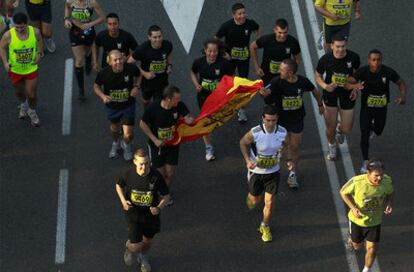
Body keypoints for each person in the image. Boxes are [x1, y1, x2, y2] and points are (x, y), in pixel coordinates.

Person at [261, 59, 324, 189]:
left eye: (282, 70)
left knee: (294, 146)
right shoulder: (276, 82)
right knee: (284, 145)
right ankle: (281, 168)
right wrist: (264, 93)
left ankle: (293, 173)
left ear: (290, 73)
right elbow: (265, 92)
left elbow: (314, 91)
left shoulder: (302, 81)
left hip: (297, 118)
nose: (279, 72)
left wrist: (320, 104)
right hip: (282, 119)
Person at [347, 49, 407, 173]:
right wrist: (354, 86)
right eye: (373, 60)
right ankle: (365, 161)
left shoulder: (387, 72)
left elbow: (401, 83)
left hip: (381, 108)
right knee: (364, 134)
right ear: (369, 60)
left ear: (381, 60)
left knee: (379, 130)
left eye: (378, 60)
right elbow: (347, 83)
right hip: (367, 109)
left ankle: (373, 130)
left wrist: (402, 96)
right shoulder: (363, 71)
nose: (376, 62)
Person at [116, 148, 170, 272]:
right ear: (135, 162)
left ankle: (143, 258)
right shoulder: (128, 174)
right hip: (133, 215)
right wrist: (124, 201)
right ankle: (130, 248)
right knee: (136, 246)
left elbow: (166, 196)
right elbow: (118, 185)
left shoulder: (156, 176)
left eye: (147, 163)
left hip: (151, 217)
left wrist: (159, 208)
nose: (144, 167)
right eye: (141, 163)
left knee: (147, 242)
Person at [239, 105, 287, 242]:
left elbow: (287, 145)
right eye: (268, 120)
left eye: (274, 120)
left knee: (270, 202)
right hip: (256, 172)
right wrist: (248, 160)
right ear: (263, 118)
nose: (271, 123)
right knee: (255, 200)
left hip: (273, 172)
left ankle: (264, 226)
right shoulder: (255, 132)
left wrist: (287, 158)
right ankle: (251, 198)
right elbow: (242, 143)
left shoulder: (282, 132)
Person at [139, 86, 193, 205]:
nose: (179, 100)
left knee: (170, 173)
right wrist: (154, 139)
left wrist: (189, 120)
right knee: (160, 174)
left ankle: (164, 193)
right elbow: (142, 124)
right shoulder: (153, 108)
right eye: (177, 98)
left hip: (173, 144)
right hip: (156, 146)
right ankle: (157, 189)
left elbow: (188, 116)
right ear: (168, 99)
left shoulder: (179, 106)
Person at [340, 159, 393, 272]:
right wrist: (353, 208)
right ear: (368, 173)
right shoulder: (357, 182)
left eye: (381, 175)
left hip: (375, 221)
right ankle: (353, 240)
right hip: (357, 221)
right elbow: (343, 192)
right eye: (376, 175)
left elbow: (391, 192)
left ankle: (366, 269)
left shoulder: (387, 181)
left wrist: (389, 203)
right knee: (357, 246)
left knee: (372, 248)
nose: (380, 178)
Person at [315, 34, 360, 160]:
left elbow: (357, 75)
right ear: (332, 46)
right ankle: (331, 145)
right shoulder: (325, 59)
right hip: (331, 94)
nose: (340, 49)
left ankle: (340, 130)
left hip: (347, 93)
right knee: (330, 126)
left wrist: (355, 88)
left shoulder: (354, 57)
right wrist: (325, 86)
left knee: (347, 129)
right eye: (338, 47)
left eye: (343, 46)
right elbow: (317, 75)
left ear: (347, 45)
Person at [215, 2, 261, 123]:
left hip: (244, 59)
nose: (242, 16)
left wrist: (257, 42)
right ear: (233, 15)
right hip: (230, 59)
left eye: (244, 13)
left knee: (242, 84)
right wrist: (223, 52)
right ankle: (224, 104)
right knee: (227, 82)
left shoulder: (250, 23)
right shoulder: (227, 26)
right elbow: (216, 38)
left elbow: (257, 29)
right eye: (239, 14)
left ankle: (241, 109)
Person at [190, 39, 234, 161]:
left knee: (216, 119)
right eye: (209, 51)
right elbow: (193, 72)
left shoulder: (224, 64)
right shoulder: (198, 62)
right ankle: (208, 146)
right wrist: (196, 85)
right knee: (205, 121)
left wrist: (224, 87)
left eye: (214, 51)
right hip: (203, 97)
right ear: (205, 51)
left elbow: (231, 78)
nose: (212, 54)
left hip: (219, 98)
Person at [93, 50, 141, 161]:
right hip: (112, 107)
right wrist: (103, 96)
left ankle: (127, 145)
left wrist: (136, 87)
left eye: (120, 59)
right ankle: (115, 143)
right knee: (115, 129)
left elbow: (139, 76)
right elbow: (96, 86)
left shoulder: (131, 68)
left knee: (128, 134)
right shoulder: (104, 73)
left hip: (128, 106)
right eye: (115, 60)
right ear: (109, 62)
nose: (119, 62)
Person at [0, 12, 42, 127]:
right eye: (16, 27)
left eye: (22, 27)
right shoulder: (8, 35)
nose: (19, 29)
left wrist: (39, 53)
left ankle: (32, 112)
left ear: (26, 23)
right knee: (19, 92)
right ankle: (24, 105)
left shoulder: (35, 31)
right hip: (15, 70)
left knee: (32, 95)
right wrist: (5, 63)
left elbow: (39, 40)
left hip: (31, 68)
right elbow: (2, 48)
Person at [64, 0, 104, 100]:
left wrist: (90, 24)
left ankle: (88, 58)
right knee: (79, 61)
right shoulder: (70, 1)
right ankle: (81, 90)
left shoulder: (92, 3)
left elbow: (103, 18)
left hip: (89, 32)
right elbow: (67, 7)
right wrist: (66, 19)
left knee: (87, 52)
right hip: (75, 31)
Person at [128, 25, 173, 108]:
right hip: (147, 82)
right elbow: (129, 62)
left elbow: (169, 53)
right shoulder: (142, 49)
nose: (158, 39)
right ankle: (147, 111)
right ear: (149, 37)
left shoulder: (167, 45)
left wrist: (169, 65)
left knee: (159, 104)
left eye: (160, 36)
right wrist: (144, 73)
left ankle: (154, 117)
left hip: (162, 80)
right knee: (146, 101)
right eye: (155, 37)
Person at [250, 18, 301, 86]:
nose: (282, 36)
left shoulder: (293, 42)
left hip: (284, 76)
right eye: (280, 32)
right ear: (275, 30)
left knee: (281, 95)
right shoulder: (267, 40)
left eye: (285, 32)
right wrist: (256, 67)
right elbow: (252, 46)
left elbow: (297, 58)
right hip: (267, 75)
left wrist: (292, 73)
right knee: (266, 94)